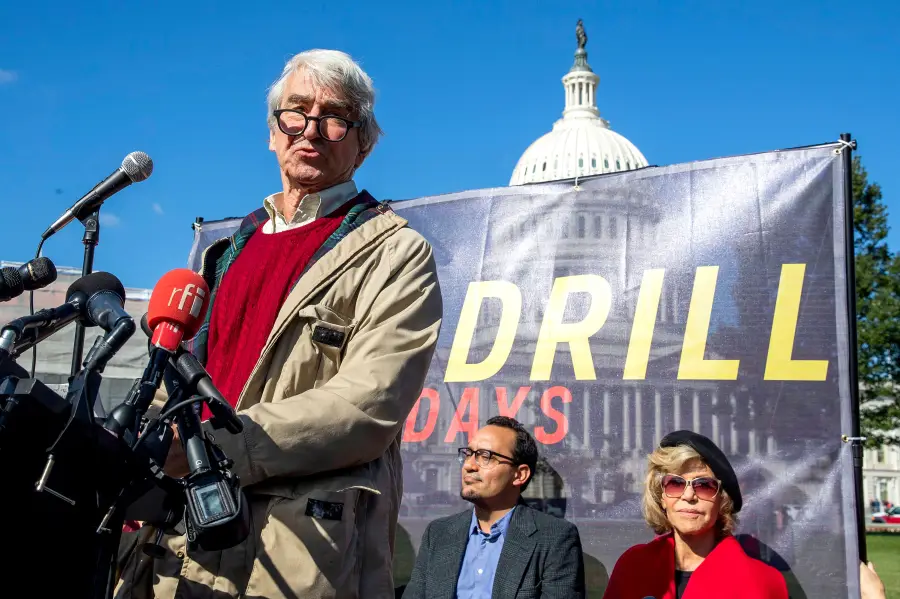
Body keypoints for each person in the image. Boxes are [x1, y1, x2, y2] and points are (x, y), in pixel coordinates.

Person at [115, 49, 443, 599]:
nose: (311, 130)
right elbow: (171, 378)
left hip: (290, 551)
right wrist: (137, 446)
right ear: (273, 131)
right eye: (296, 112)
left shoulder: (397, 252)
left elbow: (368, 404)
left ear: (363, 143)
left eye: (335, 116)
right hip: (171, 538)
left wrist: (211, 450)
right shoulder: (224, 253)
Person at [402, 416, 586, 598]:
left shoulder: (555, 538)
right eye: (468, 454)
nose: (469, 465)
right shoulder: (438, 534)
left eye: (485, 457)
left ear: (519, 475)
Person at [603, 430, 788, 598]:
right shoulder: (633, 567)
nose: (689, 495)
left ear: (722, 501)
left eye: (704, 486)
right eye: (675, 483)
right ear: (661, 498)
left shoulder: (762, 582)